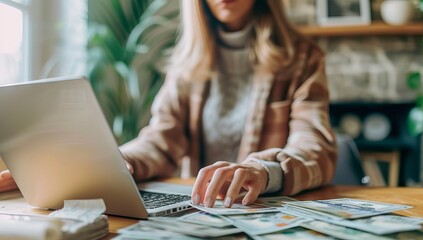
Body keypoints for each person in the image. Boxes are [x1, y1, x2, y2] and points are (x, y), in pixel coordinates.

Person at [0, 0, 337, 208]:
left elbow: (316, 150)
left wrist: (262, 172)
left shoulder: (302, 59)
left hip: (262, 213)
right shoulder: (186, 64)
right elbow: (161, 142)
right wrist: (113, 162)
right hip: (200, 210)